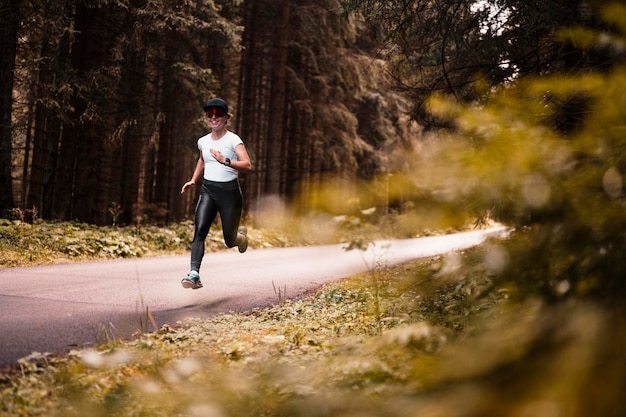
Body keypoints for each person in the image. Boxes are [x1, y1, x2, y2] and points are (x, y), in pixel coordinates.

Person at [180, 98, 252, 289]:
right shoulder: (202, 141)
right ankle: (194, 274)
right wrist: (194, 179)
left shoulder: (234, 140)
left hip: (230, 194)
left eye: (218, 114)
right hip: (208, 191)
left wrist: (226, 161)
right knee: (200, 230)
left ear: (226, 117)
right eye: (210, 114)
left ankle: (241, 238)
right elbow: (202, 160)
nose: (213, 117)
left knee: (229, 240)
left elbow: (247, 165)